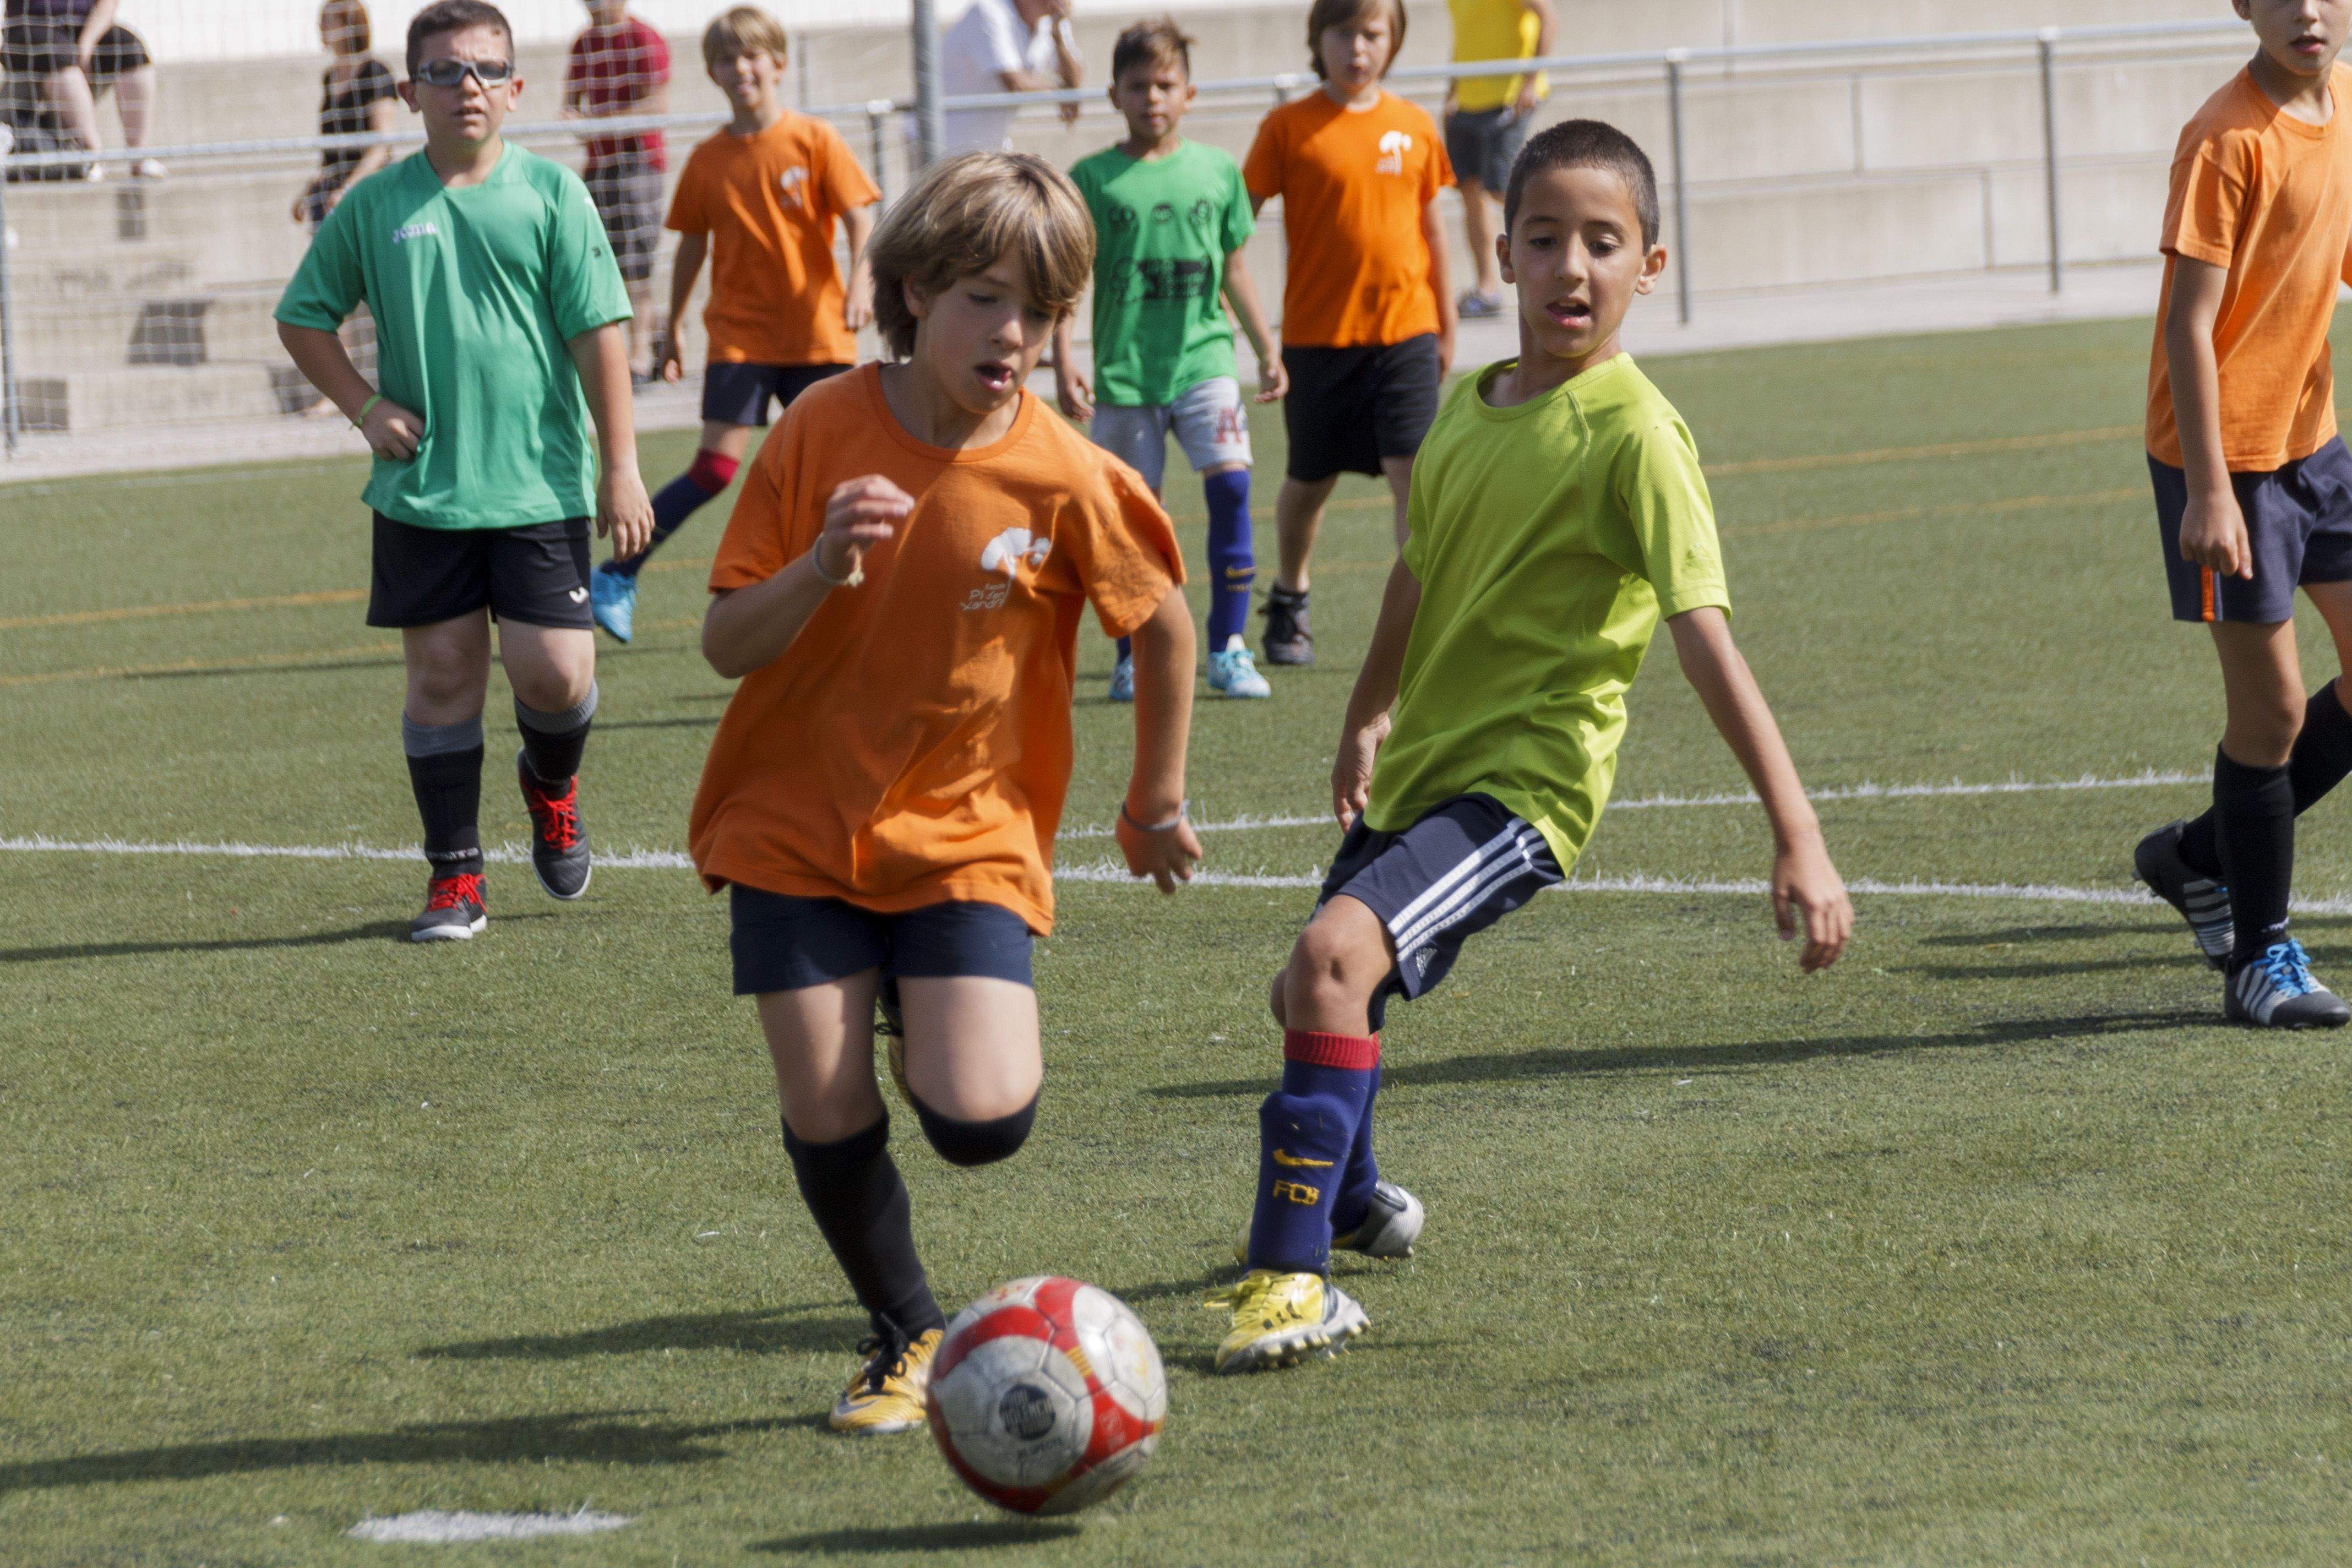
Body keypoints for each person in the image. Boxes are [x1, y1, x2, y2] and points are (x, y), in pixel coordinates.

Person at [1207, 120, 1852, 1373]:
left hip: (1521, 790)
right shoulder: (1466, 404)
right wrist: (1364, 711)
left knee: (1333, 956)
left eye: (1601, 243)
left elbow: (1705, 636)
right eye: (1545, 237)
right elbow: (1416, 568)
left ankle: (1292, 1275)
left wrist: (1800, 831)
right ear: (1500, 250)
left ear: (1648, 266)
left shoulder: (1634, 435)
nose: (1571, 266)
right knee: (1313, 991)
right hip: (1422, 766)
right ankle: (1346, 1190)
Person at [689, 150, 1201, 1434]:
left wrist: (1153, 799)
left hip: (968, 835)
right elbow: (727, 641)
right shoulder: (819, 426)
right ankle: (906, 1325)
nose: (1016, 332)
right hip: (792, 822)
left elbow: (1167, 625)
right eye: (985, 296)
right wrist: (817, 565)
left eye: (1040, 306)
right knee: (823, 1098)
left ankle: (911, 997)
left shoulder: (1065, 472)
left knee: (982, 1122)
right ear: (912, 292)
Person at [275, 0, 653, 942]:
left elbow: (600, 335)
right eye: (443, 73)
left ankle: (550, 785)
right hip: (425, 489)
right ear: (409, 92)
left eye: (485, 71)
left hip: (537, 482)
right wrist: (365, 407)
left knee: (557, 674)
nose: (466, 88)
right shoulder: (374, 205)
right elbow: (303, 318)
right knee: (443, 676)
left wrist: (624, 468)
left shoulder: (554, 195)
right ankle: (455, 877)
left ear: (517, 90)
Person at [2133, 0, 2352, 1029]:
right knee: (2269, 715)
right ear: (2240, 4)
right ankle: (2258, 959)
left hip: (2315, 446)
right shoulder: (2223, 137)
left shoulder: (2344, 103)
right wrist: (2212, 488)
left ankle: (2196, 857)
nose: (2305, 11)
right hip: (2224, 462)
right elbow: (2185, 320)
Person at [587, 4, 879, 644]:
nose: (740, 68)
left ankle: (845, 594)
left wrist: (861, 280)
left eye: (751, 56)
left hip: (819, 336)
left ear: (779, 63)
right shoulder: (707, 159)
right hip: (740, 337)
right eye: (726, 58)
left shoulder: (815, 139)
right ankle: (616, 575)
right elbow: (691, 244)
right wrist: (674, 327)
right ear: (713, 73)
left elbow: (862, 217)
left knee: (831, 475)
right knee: (716, 469)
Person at [1052, 17, 1286, 703]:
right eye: (1137, 86)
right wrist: (1065, 359)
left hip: (1205, 362)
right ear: (1113, 96)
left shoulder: (1218, 172)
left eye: (1165, 84)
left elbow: (1235, 268)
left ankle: (1229, 646)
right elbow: (1069, 280)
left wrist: (1266, 347)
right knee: (1130, 518)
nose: (1152, 97)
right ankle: (1131, 653)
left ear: (1189, 93)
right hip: (1126, 379)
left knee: (1233, 487)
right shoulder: (1092, 179)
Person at [1242, 0, 1454, 668]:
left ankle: (1424, 616)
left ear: (1392, 42)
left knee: (1412, 477)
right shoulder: (1287, 127)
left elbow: (1433, 231)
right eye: (1343, 33)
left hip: (1405, 333)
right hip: (1318, 340)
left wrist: (1445, 322)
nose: (1357, 48)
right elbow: (1232, 230)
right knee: (1309, 482)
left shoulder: (1415, 127)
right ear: (1317, 39)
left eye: (1372, 34)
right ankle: (1291, 594)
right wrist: (1249, 331)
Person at [565, 0, 671, 377]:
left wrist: (603, 123)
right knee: (599, 259)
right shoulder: (583, 44)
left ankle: (640, 355)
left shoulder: (643, 38)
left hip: (638, 163)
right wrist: (578, 122)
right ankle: (662, 331)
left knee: (635, 262)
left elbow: (657, 104)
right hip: (599, 166)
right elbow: (571, 104)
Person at [1444, 0, 1551, 319]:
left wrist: (1531, 81)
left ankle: (1549, 280)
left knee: (1505, 191)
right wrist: (1452, 89)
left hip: (1509, 98)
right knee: (1470, 192)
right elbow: (1466, 37)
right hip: (1467, 100)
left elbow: (1548, 18)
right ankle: (1487, 290)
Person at [1, 0, 161, 178]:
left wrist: (88, 41)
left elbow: (108, 4)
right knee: (60, 58)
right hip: (29, 29)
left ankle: (138, 157)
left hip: (82, 25)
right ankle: (93, 157)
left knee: (133, 53)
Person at [293, 0, 398, 228]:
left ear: (350, 25)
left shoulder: (375, 72)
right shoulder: (329, 77)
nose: (320, 27)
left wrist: (348, 189)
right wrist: (309, 189)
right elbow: (334, 152)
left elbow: (382, 144)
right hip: (332, 196)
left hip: (370, 192)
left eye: (328, 21)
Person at [938, 0, 1080, 155]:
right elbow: (1015, 82)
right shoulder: (988, 11)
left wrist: (1058, 37)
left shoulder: (1053, 21)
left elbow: (1074, 80)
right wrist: (1062, 94)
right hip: (941, 144)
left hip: (988, 148)